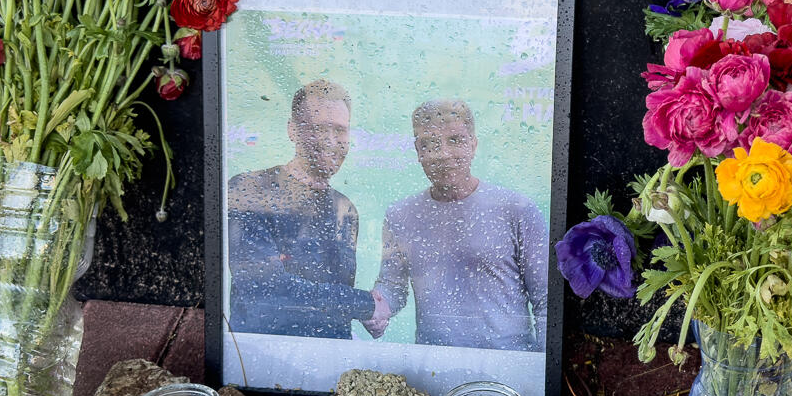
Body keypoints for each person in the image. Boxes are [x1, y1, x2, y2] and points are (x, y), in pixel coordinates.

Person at [369, 100, 549, 351]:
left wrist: (543, 366)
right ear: (418, 151)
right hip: (432, 363)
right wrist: (377, 307)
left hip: (508, 364)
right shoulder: (400, 215)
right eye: (430, 144)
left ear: (473, 144)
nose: (443, 154)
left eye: (455, 140)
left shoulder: (517, 209)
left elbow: (546, 299)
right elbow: (392, 286)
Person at [226, 80, 390, 340]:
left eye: (340, 130)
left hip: (330, 356)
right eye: (319, 128)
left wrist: (369, 312)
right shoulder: (249, 189)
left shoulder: (345, 209)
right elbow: (264, 291)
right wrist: (363, 305)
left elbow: (332, 309)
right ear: (293, 130)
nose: (331, 140)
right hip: (261, 355)